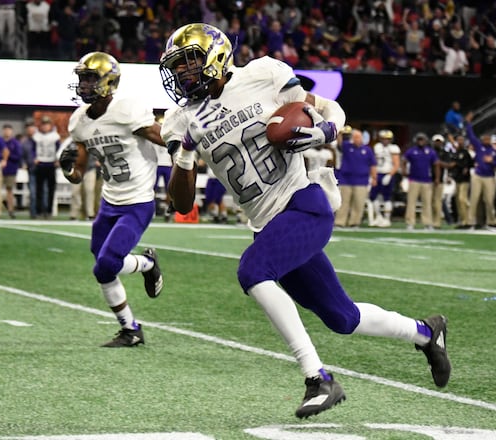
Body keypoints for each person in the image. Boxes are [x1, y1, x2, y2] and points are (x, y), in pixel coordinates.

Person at [159, 23, 450, 419]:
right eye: (177, 66)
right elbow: (181, 202)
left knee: (253, 271)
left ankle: (318, 378)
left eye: (189, 62)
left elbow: (328, 107)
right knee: (342, 318)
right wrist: (186, 152)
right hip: (268, 225)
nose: (181, 73)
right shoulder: (180, 119)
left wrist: (327, 129)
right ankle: (426, 332)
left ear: (216, 57)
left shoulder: (261, 75)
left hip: (303, 204)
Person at [61, 51, 165, 347]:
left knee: (105, 265)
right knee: (102, 262)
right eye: (82, 78)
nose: (84, 84)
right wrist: (69, 170)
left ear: (109, 81)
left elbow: (165, 138)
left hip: (137, 202)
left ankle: (146, 266)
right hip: (109, 202)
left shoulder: (127, 109)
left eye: (90, 78)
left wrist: (186, 149)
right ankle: (131, 327)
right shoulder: (79, 121)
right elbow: (79, 172)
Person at [334, 127, 376, 228]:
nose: (357, 139)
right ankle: (340, 222)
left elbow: (373, 164)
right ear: (352, 138)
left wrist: (374, 177)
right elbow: (339, 142)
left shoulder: (367, 150)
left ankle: (354, 222)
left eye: (359, 137)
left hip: (362, 180)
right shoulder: (347, 146)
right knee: (343, 202)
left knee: (358, 202)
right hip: (346, 179)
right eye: (355, 137)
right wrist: (340, 132)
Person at [402, 133, 438, 230]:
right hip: (414, 179)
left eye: (422, 140)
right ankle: (410, 222)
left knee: (427, 202)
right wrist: (404, 171)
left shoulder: (430, 152)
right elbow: (404, 160)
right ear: (416, 140)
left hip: (427, 180)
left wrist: (437, 178)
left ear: (426, 141)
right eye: (419, 139)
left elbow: (436, 164)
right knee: (411, 202)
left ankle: (427, 222)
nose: (420, 141)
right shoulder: (411, 151)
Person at [368, 129, 399, 228]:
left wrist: (390, 175)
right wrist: (373, 175)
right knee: (373, 197)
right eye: (384, 138)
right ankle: (379, 216)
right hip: (377, 173)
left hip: (387, 174)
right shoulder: (377, 147)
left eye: (388, 139)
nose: (386, 140)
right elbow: (373, 162)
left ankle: (387, 219)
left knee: (387, 197)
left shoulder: (394, 148)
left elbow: (396, 164)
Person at [32, 116, 60, 219]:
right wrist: (34, 158)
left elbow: (59, 149)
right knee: (39, 189)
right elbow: (32, 149)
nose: (45, 127)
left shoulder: (55, 136)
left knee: (51, 190)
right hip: (40, 164)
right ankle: (39, 211)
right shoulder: (36, 136)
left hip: (51, 164)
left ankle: (49, 211)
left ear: (50, 126)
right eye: (43, 125)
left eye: (47, 125)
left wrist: (58, 159)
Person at [1, 124, 22, 219]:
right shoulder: (0, 141)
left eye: (8, 130)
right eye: (5, 130)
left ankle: (11, 210)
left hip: (11, 169)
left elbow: (18, 156)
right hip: (0, 169)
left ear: (11, 131)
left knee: (9, 190)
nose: (7, 132)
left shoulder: (15, 143)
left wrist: (7, 155)